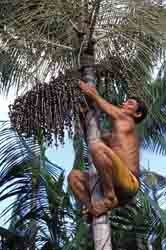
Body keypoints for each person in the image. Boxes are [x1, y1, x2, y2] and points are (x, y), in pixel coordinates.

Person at [68, 80, 148, 217]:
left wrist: (82, 86)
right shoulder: (114, 138)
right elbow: (90, 137)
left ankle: (109, 197)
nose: (124, 104)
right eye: (125, 101)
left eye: (130, 103)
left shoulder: (128, 121)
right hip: (118, 187)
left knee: (97, 147)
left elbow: (102, 104)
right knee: (73, 177)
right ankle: (92, 209)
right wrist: (83, 116)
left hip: (129, 182)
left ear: (137, 114)